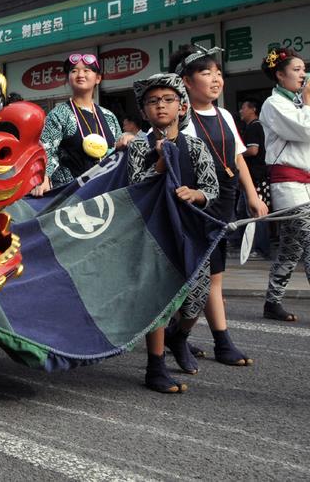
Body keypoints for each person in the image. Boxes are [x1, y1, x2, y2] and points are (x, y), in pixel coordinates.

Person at [170, 44, 268, 368]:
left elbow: (237, 158)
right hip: (197, 205)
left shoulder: (225, 114)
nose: (215, 79)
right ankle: (197, 338)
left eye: (219, 73)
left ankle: (200, 337)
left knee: (214, 278)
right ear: (185, 81)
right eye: (205, 72)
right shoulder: (181, 119)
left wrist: (252, 196)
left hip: (225, 202)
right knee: (200, 278)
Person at [128, 73, 218, 393]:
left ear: (181, 107)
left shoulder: (194, 146)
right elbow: (135, 188)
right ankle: (155, 367)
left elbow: (212, 188)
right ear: (144, 111)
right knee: (160, 300)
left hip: (191, 231)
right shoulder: (140, 147)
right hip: (154, 234)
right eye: (153, 101)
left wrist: (195, 194)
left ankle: (180, 339)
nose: (160, 106)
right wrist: (159, 168)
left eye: (167, 100)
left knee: (197, 297)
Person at [32, 53, 130, 195]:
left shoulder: (108, 116)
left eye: (86, 70)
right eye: (74, 71)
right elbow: (45, 149)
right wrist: (43, 177)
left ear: (98, 78)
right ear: (68, 79)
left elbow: (118, 150)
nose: (80, 74)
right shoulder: (59, 114)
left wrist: (127, 139)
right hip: (71, 194)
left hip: (106, 190)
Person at [259, 48, 310, 322]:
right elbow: (305, 130)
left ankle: (272, 302)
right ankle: (273, 301)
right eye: (297, 69)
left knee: (292, 248)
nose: (303, 74)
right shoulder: (273, 104)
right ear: (280, 75)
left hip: (306, 182)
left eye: (304, 69)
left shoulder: (300, 103)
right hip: (289, 184)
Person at [238, 99, 272, 257]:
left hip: (255, 177)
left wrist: (236, 154)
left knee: (256, 212)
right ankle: (250, 247)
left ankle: (260, 249)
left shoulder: (254, 127)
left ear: (253, 109)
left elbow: (253, 150)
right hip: (256, 175)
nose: (240, 111)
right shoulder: (257, 126)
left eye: (243, 108)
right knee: (245, 211)